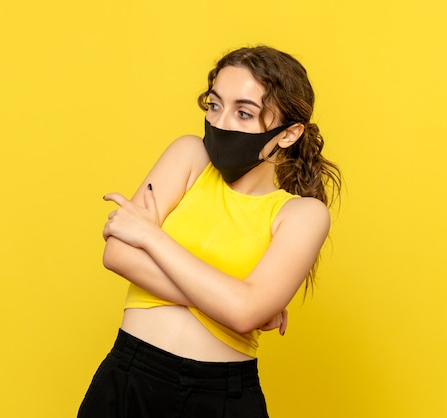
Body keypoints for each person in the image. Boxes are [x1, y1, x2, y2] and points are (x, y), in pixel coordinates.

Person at [77, 45, 342, 418]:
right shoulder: (189, 156)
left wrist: (151, 237)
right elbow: (118, 254)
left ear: (288, 134)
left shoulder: (302, 214)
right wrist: (230, 302)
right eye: (214, 105)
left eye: (244, 113)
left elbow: (244, 312)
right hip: (129, 379)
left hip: (222, 398)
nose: (221, 123)